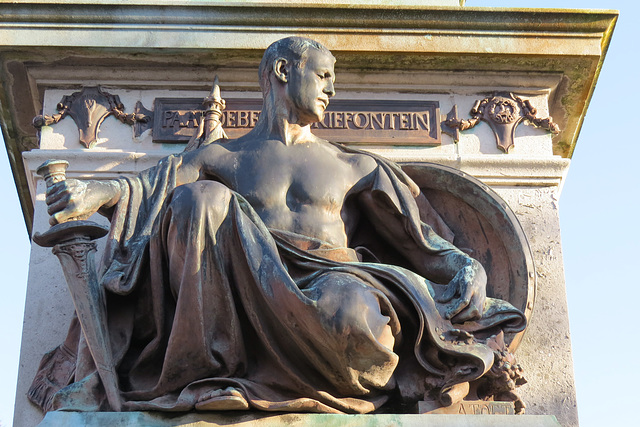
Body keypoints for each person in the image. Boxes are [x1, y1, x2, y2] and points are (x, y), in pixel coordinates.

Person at [31, 37, 526, 414]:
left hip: (327, 279)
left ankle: (273, 371)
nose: (334, 88)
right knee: (199, 199)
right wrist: (93, 192)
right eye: (325, 75)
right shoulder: (222, 155)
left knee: (354, 317)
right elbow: (150, 187)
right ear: (284, 71)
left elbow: (423, 244)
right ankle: (208, 373)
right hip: (239, 289)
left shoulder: (355, 166)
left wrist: (468, 270)